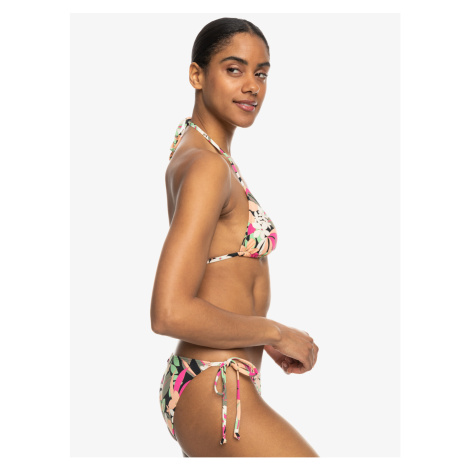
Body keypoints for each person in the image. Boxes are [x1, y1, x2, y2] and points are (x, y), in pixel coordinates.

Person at [150, 17, 320, 458]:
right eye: (233, 69)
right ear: (197, 75)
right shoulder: (207, 166)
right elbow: (169, 311)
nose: (251, 86)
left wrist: (260, 339)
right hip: (213, 381)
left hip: (220, 378)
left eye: (261, 73)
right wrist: (275, 333)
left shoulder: (202, 152)